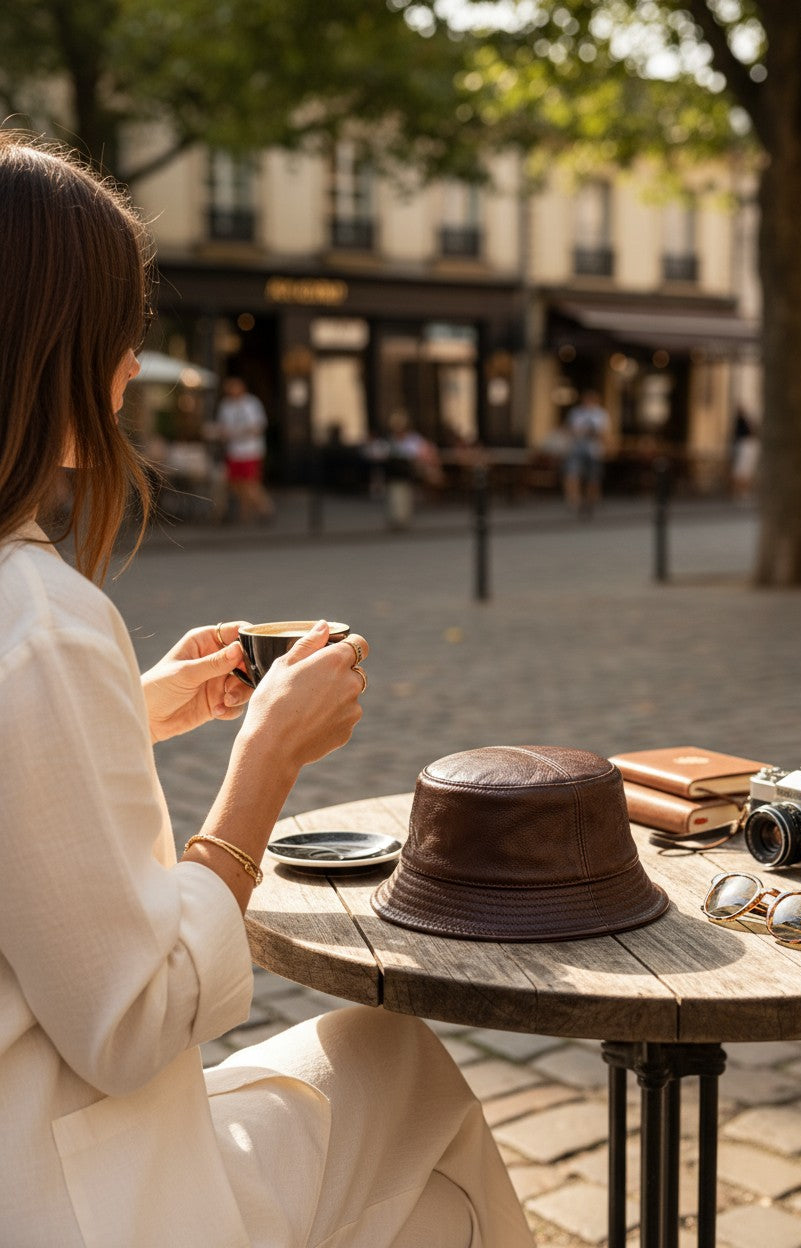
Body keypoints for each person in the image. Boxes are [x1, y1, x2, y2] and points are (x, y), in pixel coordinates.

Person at [0, 134, 534, 1248]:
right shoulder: (38, 617)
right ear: (49, 347)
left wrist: (136, 707)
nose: (135, 367)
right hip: (81, 1198)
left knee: (410, 1158)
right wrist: (264, 767)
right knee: (394, 1061)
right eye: (122, 332)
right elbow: (136, 1021)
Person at [215, 375, 275, 523]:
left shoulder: (251, 403)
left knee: (250, 483)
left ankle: (266, 509)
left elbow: (258, 427)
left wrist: (238, 433)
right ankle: (246, 514)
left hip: (250, 450)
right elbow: (222, 427)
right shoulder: (225, 405)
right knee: (235, 483)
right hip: (234, 451)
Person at [562, 388, 611, 515]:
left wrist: (590, 432)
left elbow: (604, 434)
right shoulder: (576, 413)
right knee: (572, 474)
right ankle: (574, 502)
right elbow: (570, 430)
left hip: (594, 451)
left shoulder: (601, 414)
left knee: (593, 477)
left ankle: (590, 502)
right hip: (576, 448)